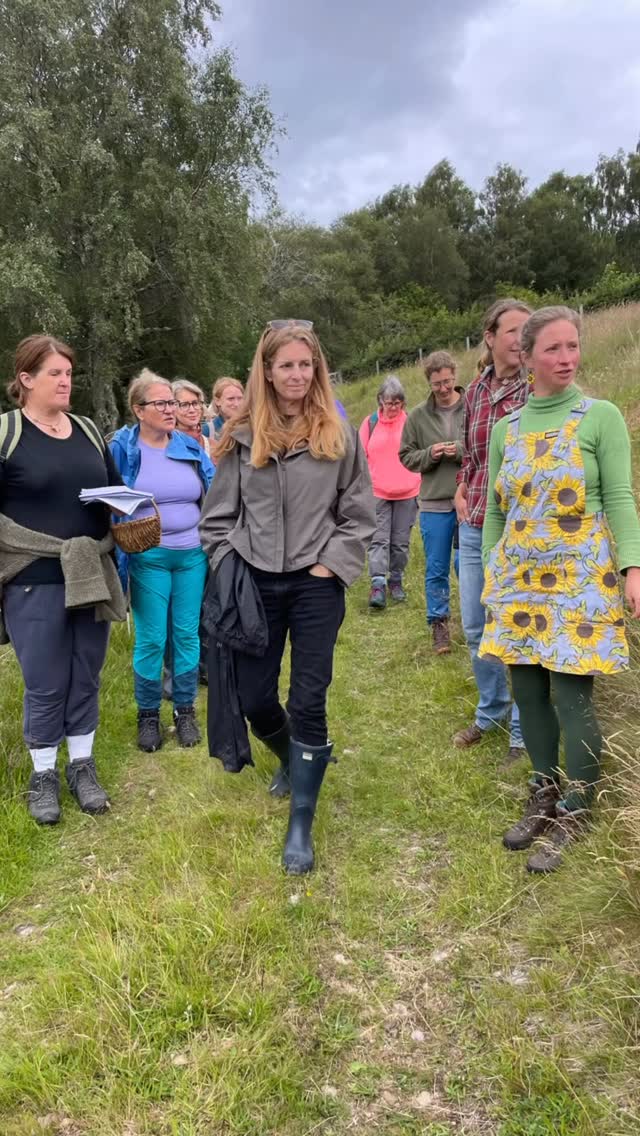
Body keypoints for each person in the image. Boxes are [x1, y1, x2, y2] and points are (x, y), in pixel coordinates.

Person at [200, 319, 375, 874]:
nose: (297, 375)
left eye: (306, 365)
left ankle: (302, 818)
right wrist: (231, 564)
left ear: (315, 369)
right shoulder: (240, 435)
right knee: (255, 699)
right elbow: (217, 520)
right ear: (268, 372)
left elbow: (358, 513)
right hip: (254, 584)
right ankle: (292, 760)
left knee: (308, 699)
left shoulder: (337, 435)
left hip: (316, 584)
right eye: (286, 366)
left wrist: (332, 564)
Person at [480, 305, 640, 872]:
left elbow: (619, 496)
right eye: (553, 348)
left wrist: (633, 568)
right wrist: (490, 570)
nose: (567, 358)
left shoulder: (600, 417)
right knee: (528, 691)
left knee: (572, 696)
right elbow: (499, 511)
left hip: (579, 577)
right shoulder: (508, 428)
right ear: (526, 356)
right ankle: (544, 790)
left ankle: (577, 804)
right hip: (520, 578)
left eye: (572, 346)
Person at [0, 335, 127, 825]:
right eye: (54, 373)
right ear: (26, 379)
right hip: (33, 577)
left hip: (90, 573)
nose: (65, 380)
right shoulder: (8, 433)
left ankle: (82, 766)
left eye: (69, 373)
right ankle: (44, 775)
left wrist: (132, 508)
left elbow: (113, 490)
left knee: (86, 674)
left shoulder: (88, 430)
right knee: (45, 681)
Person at [110, 369, 214, 752]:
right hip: (147, 556)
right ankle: (148, 716)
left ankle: (185, 711)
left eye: (173, 402)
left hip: (192, 555)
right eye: (162, 403)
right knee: (152, 638)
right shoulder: (123, 448)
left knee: (186, 634)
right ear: (139, 410)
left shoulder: (189, 447)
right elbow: (106, 492)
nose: (171, 409)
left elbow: (213, 490)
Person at [453, 298, 532, 761]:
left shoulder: (536, 388)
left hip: (520, 530)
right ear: (490, 337)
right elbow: (470, 454)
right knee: (475, 625)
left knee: (519, 627)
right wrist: (461, 487)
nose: (522, 339)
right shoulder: (477, 391)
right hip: (474, 524)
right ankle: (492, 711)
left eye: (528, 331)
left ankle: (525, 730)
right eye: (513, 331)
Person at [399, 350, 465, 653]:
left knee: (468, 564)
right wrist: (430, 455)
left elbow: (486, 445)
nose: (444, 388)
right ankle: (439, 624)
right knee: (436, 566)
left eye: (448, 381)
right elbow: (406, 456)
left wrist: (457, 451)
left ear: (455, 376)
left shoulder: (473, 406)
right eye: (437, 383)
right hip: (435, 503)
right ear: (429, 382)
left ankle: (478, 619)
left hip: (470, 499)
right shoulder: (417, 416)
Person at [359, 375, 420, 608]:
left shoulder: (412, 421)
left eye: (397, 402)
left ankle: (396, 580)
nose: (392, 407)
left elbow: (420, 452)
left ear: (403, 403)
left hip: (408, 491)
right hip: (378, 493)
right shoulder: (369, 423)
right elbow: (360, 458)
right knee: (379, 540)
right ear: (380, 401)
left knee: (400, 543)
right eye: (388, 402)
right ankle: (377, 585)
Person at [173, 379, 210, 457]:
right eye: (184, 405)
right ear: (172, 408)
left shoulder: (214, 446)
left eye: (195, 403)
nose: (192, 410)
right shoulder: (165, 444)